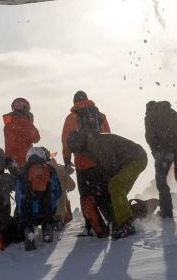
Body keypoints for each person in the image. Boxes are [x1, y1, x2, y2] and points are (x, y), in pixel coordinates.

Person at [65, 130, 148, 240]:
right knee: (115, 191)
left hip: (137, 159)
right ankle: (136, 211)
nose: (79, 154)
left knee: (116, 186)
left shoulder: (98, 145)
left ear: (80, 144)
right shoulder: (92, 142)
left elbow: (111, 167)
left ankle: (126, 225)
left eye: (78, 151)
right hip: (131, 159)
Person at [61, 91, 112, 237]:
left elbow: (66, 141)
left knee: (86, 196)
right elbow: (108, 137)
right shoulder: (100, 116)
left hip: (82, 163)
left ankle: (92, 226)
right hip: (100, 162)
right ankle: (112, 221)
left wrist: (66, 160)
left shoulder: (71, 118)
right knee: (103, 194)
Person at [144, 100, 177, 218]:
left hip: (165, 150)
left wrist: (156, 153)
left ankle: (167, 212)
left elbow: (150, 137)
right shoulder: (172, 112)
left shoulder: (150, 116)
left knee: (161, 180)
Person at [15, 147, 62, 250]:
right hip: (47, 211)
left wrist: (20, 211)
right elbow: (58, 192)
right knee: (46, 217)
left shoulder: (22, 173)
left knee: (25, 220)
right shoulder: (50, 170)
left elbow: (18, 197)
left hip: (28, 213)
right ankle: (47, 229)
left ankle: (29, 231)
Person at [3, 97, 41, 169]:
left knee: (15, 179)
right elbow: (36, 138)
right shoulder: (25, 121)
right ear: (26, 109)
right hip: (24, 159)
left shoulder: (8, 122)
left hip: (10, 159)